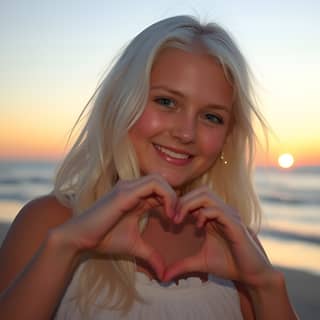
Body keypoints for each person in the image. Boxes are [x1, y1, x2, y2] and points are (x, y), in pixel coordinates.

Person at [0, 15, 298, 319]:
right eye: (166, 102)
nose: (186, 133)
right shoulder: (49, 223)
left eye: (211, 117)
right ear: (122, 104)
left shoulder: (238, 246)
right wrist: (66, 247)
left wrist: (265, 284)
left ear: (227, 138)